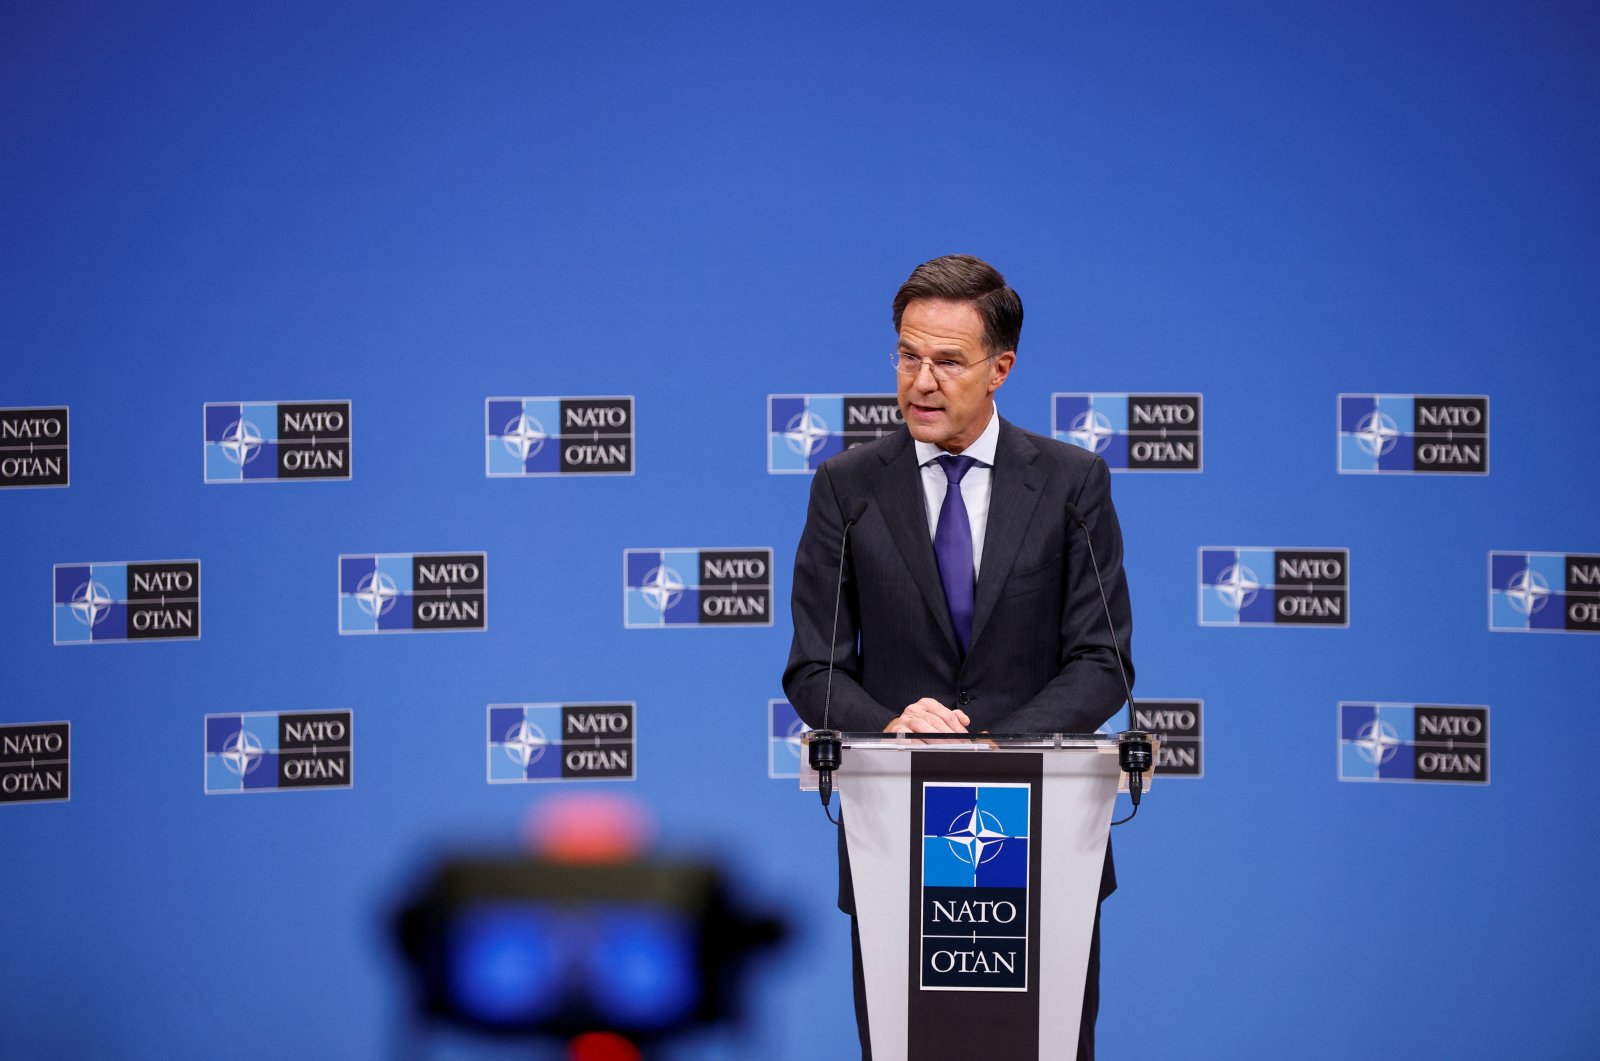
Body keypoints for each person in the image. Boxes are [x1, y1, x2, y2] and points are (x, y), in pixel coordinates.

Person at [782, 253, 1134, 1060]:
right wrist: (893, 723)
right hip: (896, 846)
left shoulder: (1072, 483)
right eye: (909, 355)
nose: (922, 381)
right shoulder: (846, 486)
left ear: (1000, 368)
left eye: (948, 361)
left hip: (1042, 842)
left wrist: (994, 749)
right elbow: (814, 668)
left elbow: (1102, 661)